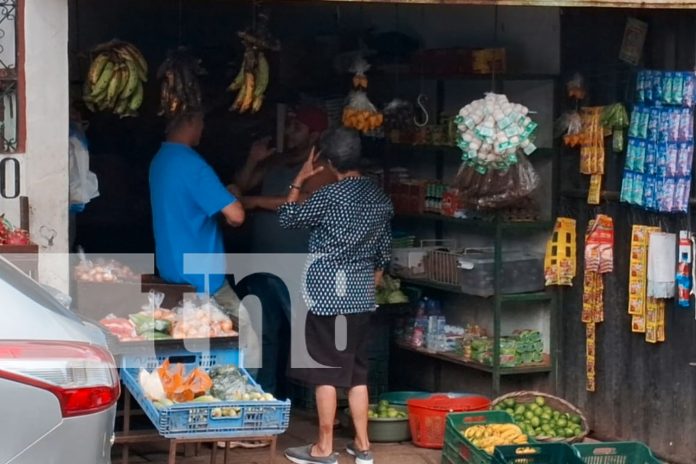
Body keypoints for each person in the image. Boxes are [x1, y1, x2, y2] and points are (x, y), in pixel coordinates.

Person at [280, 127, 393, 464]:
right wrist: (369, 280)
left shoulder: (329, 196)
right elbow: (383, 253)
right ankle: (362, 446)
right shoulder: (379, 198)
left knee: (326, 372)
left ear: (328, 162)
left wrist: (298, 180)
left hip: (327, 296)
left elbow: (287, 218)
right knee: (358, 373)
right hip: (360, 297)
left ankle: (324, 449)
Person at [232, 106, 336, 397]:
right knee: (263, 335)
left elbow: (304, 201)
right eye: (290, 126)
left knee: (306, 336)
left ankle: (319, 406)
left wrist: (254, 202)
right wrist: (254, 160)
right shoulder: (276, 161)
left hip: (296, 265)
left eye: (297, 128)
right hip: (262, 263)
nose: (290, 132)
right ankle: (265, 397)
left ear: (315, 134)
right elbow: (239, 187)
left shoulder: (321, 167)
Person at [149, 111, 256, 356]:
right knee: (246, 339)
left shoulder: (161, 160)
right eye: (202, 121)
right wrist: (233, 196)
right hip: (204, 281)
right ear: (191, 120)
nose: (203, 128)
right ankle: (242, 393)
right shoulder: (192, 165)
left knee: (194, 348)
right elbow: (237, 215)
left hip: (172, 274)